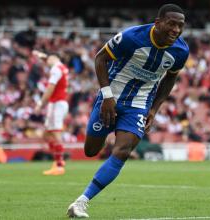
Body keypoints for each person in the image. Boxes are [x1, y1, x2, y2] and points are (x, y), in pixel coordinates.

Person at [67, 4, 189, 218]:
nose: (176, 30)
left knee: (122, 151)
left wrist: (154, 109)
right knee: (91, 151)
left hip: (139, 105)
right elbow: (100, 58)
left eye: (181, 26)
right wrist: (106, 95)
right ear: (158, 22)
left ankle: (81, 201)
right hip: (110, 99)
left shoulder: (180, 51)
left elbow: (171, 78)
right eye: (171, 24)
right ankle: (104, 129)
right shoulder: (132, 37)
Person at [33, 51, 69, 175]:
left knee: (55, 132)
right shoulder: (62, 67)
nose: (46, 62)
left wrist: (40, 104)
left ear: (53, 58)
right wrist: (40, 55)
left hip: (56, 104)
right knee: (47, 134)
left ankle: (59, 165)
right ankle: (58, 161)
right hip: (59, 103)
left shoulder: (56, 69)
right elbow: (48, 58)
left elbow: (50, 88)